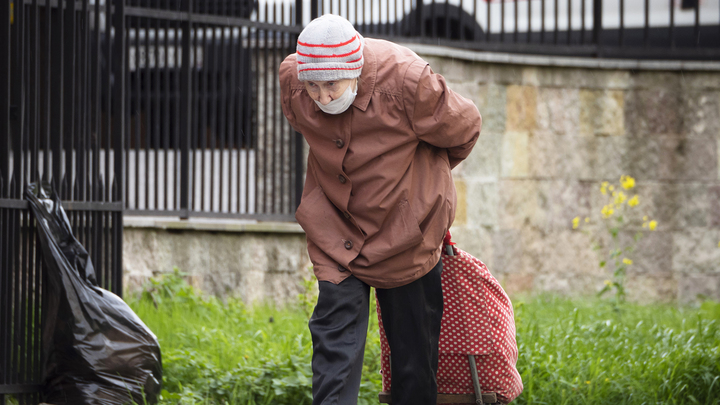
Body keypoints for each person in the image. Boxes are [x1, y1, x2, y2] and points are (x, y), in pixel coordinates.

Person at [279, 14, 482, 405]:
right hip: (336, 230)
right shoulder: (292, 79)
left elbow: (465, 128)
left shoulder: (408, 81)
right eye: (313, 87)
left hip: (406, 235)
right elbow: (302, 114)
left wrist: (418, 188)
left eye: (332, 85)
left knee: (412, 361)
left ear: (355, 70)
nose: (321, 97)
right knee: (333, 348)